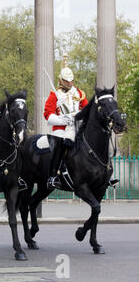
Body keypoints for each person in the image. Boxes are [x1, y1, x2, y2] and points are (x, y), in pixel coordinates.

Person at [44, 54, 88, 190]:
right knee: (60, 145)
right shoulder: (54, 95)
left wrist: (78, 117)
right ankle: (53, 176)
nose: (69, 83)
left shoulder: (79, 93)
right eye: (66, 81)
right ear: (61, 80)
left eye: (71, 80)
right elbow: (47, 115)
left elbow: (86, 109)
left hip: (76, 126)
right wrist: (63, 119)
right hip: (60, 128)